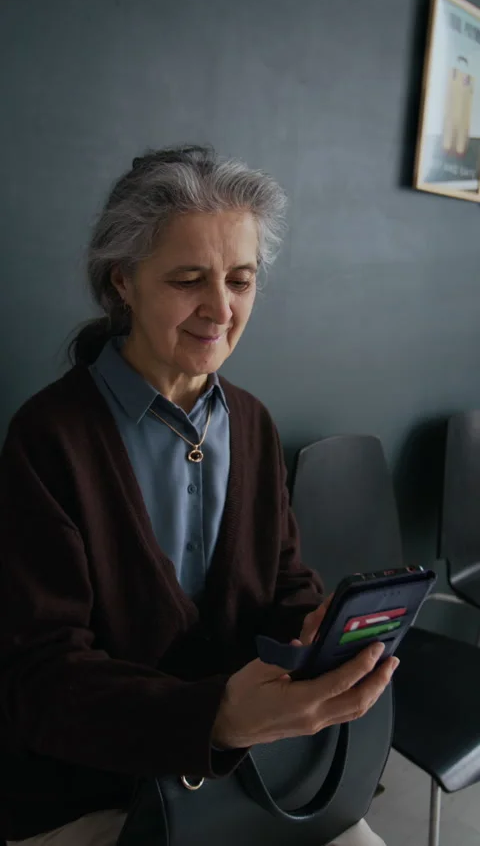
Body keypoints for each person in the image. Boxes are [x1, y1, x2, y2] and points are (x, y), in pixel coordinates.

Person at [0, 145, 396, 846]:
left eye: (241, 280)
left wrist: (315, 628)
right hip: (96, 787)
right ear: (123, 281)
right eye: (189, 279)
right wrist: (212, 717)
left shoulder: (251, 421)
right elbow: (40, 677)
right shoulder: (48, 437)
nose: (221, 309)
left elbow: (282, 578)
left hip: (245, 773)